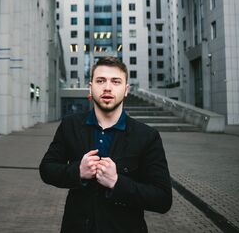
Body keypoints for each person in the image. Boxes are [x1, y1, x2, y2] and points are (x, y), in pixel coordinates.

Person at [39, 56, 172, 233]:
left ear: (126, 90)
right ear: (91, 87)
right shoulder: (70, 125)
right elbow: (47, 169)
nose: (107, 87)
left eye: (115, 82)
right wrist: (77, 171)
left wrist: (117, 182)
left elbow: (162, 199)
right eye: (100, 81)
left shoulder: (147, 136)